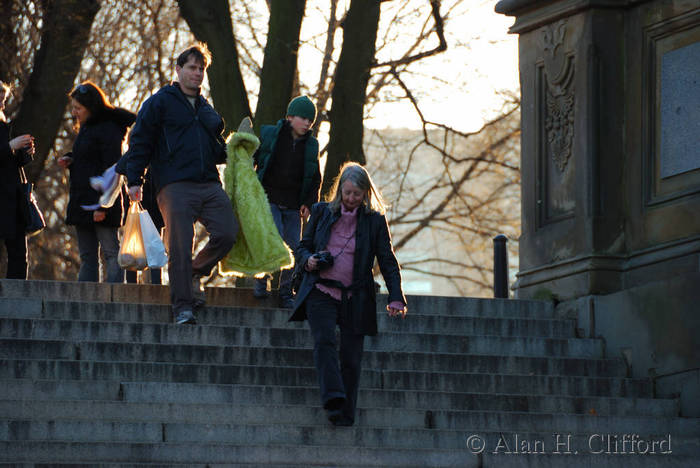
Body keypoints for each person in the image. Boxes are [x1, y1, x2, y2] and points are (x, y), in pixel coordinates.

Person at [125, 43, 238, 325]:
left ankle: (192, 273)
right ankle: (183, 307)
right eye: (192, 67)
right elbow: (140, 141)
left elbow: (216, 149)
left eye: (201, 69)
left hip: (209, 183)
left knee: (228, 232)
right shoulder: (159, 102)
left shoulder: (205, 107)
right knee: (179, 246)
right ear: (178, 70)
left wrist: (242, 152)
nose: (197, 73)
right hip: (173, 184)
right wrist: (134, 179)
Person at [290, 162, 407, 427]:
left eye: (357, 194)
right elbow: (303, 246)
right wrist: (308, 260)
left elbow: (387, 260)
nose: (352, 199)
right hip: (320, 291)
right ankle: (333, 398)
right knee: (324, 341)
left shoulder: (374, 221)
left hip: (356, 296)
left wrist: (395, 296)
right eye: (347, 193)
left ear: (366, 193)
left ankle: (345, 415)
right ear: (339, 191)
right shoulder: (321, 212)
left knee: (352, 359)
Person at [58, 81, 135, 283]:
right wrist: (71, 159)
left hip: (102, 202)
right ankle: (86, 299)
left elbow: (112, 169)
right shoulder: (86, 127)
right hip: (82, 200)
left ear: (90, 107)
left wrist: (104, 206)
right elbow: (89, 159)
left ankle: (115, 298)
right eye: (73, 108)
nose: (74, 112)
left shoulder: (109, 129)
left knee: (110, 252)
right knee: (87, 256)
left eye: (78, 108)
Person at [252, 95, 322, 308]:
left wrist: (309, 203)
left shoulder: (311, 146)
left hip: (293, 204)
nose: (308, 123)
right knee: (272, 238)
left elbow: (315, 178)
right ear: (290, 117)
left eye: (311, 120)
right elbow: (255, 158)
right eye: (303, 118)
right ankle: (261, 279)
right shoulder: (271, 135)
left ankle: (286, 290)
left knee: (293, 246)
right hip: (269, 198)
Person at [0, 81, 35, 279]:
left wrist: (25, 152)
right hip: (4, 196)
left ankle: (19, 294)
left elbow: (13, 162)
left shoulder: (6, 125)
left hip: (12, 196)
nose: (3, 106)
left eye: (4, 101)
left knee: (19, 253)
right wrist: (10, 146)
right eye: (0, 101)